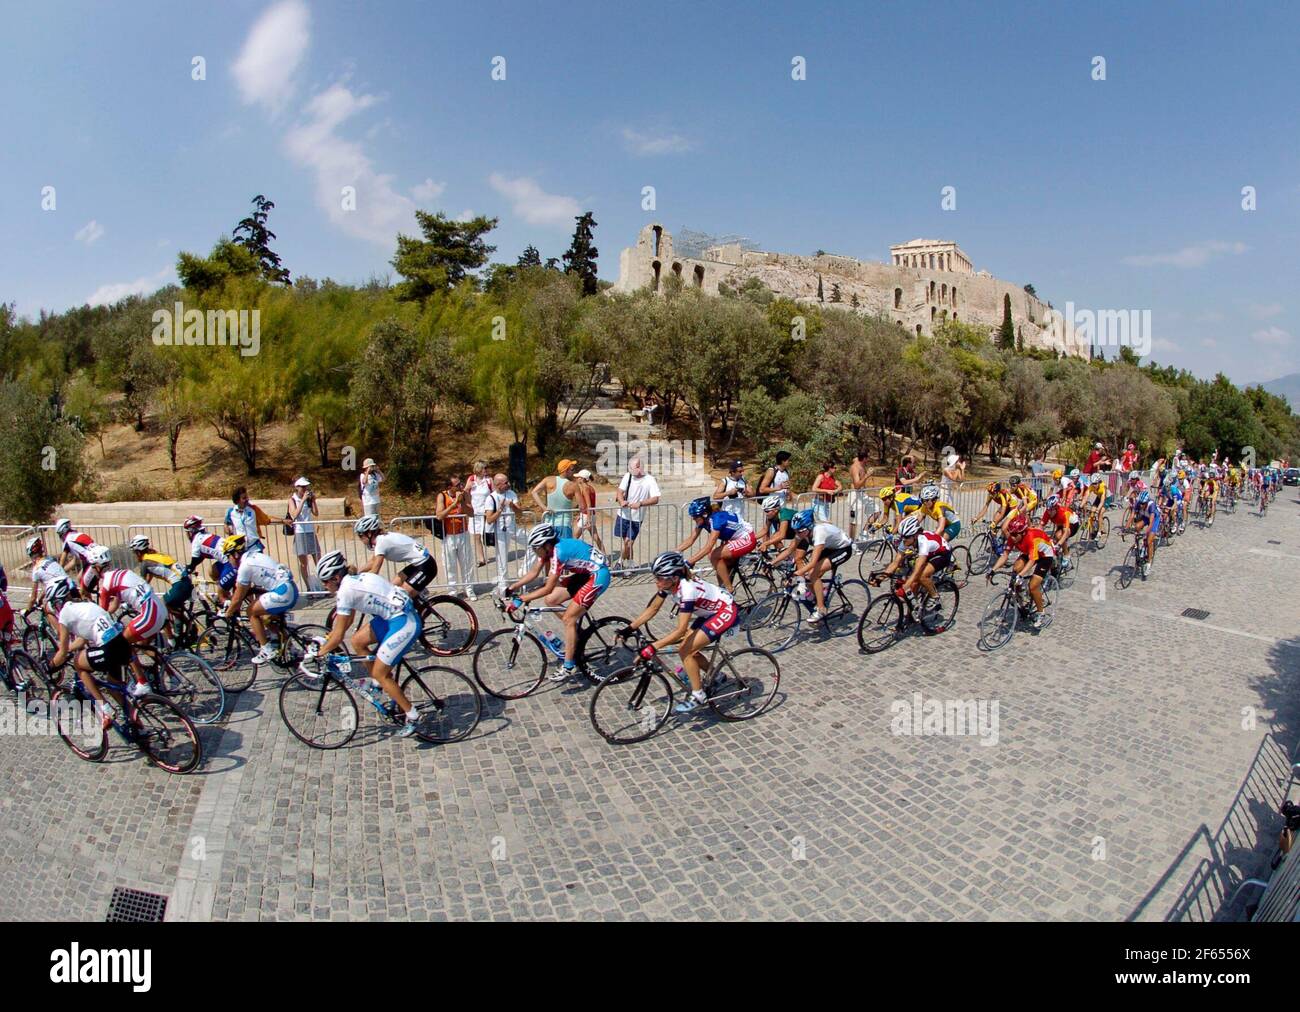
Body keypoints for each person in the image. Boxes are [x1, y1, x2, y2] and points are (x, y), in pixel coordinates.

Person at [308, 551, 424, 738]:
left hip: (404, 622)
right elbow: (346, 623)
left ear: (336, 577)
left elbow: (338, 636)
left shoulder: (345, 591)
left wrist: (319, 654)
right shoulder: (353, 580)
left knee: (379, 670)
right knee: (357, 641)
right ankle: (380, 683)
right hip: (393, 617)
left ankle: (412, 715)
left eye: (325, 580)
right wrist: (328, 641)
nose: (324, 585)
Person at [621, 551, 737, 714]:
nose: (656, 582)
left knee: (685, 650)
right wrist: (629, 629)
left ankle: (698, 695)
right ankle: (716, 676)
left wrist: (654, 646)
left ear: (674, 577)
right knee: (690, 648)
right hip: (708, 613)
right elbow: (653, 608)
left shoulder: (687, 590)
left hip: (725, 611)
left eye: (659, 577)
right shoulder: (668, 585)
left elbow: (680, 630)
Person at [503, 524, 610, 682]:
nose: (534, 551)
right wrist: (512, 587)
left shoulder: (558, 552)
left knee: (568, 619)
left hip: (598, 575)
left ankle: (569, 666)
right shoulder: (550, 549)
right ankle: (575, 633)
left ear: (546, 545)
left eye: (535, 548)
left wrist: (522, 599)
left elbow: (548, 587)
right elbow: (534, 572)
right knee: (551, 600)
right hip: (585, 574)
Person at [50, 584, 134, 730]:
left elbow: (62, 652)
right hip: (123, 644)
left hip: (109, 649)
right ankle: (137, 722)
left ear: (57, 603)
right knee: (114, 688)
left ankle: (105, 709)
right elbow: (81, 640)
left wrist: (50, 666)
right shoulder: (85, 605)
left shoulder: (65, 613)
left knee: (78, 664)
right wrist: (69, 649)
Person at [82, 545, 164, 693]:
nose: (92, 570)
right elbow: (114, 604)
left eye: (92, 567)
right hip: (158, 607)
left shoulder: (105, 585)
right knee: (141, 644)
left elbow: (102, 614)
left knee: (122, 644)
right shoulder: (120, 573)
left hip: (149, 613)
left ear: (97, 567)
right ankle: (169, 672)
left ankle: (143, 683)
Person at [221, 534, 299, 665]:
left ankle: (266, 649)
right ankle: (289, 646)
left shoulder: (245, 566)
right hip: (289, 589)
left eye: (228, 556)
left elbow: (238, 598)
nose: (228, 561)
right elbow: (245, 590)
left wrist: (228, 613)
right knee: (265, 617)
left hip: (283, 592)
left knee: (251, 611)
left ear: (235, 554)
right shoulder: (254, 556)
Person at [770, 509, 852, 623]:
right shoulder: (802, 531)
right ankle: (819, 596)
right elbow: (789, 550)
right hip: (830, 547)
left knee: (813, 575)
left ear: (809, 527)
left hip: (843, 549)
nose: (798, 534)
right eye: (796, 531)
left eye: (800, 531)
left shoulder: (819, 532)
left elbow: (812, 562)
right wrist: (772, 563)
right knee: (808, 577)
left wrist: (797, 573)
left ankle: (821, 609)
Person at [869, 514, 952, 617]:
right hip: (929, 553)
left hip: (943, 554)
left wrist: (905, 586)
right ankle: (911, 615)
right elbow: (895, 562)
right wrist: (881, 578)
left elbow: (917, 571)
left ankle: (935, 598)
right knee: (913, 584)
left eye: (906, 537)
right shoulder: (906, 540)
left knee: (921, 576)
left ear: (916, 535)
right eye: (902, 537)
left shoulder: (923, 542)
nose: (903, 540)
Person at [677, 496, 756, 595]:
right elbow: (691, 539)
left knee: (714, 555)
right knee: (719, 564)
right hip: (733, 539)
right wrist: (674, 552)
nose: (693, 519)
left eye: (695, 517)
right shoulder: (703, 520)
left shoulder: (716, 520)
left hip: (747, 538)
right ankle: (723, 593)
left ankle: (729, 590)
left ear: (704, 514)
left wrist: (689, 562)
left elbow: (708, 547)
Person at [986, 513, 1053, 629]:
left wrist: (1021, 575)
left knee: (1033, 586)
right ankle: (1022, 599)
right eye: (1010, 533)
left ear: (1023, 532)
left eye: (1014, 534)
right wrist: (992, 570)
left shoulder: (1031, 538)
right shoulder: (1014, 536)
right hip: (1029, 552)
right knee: (1016, 568)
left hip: (1045, 555)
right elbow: (1004, 555)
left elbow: (1032, 561)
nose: (1011, 537)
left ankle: (1041, 612)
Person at [353, 514, 437, 599]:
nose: (360, 539)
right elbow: (372, 562)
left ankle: (418, 597)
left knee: (400, 598)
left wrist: (358, 582)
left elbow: (375, 571)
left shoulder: (382, 542)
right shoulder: (381, 539)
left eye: (361, 536)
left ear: (369, 533)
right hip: (419, 564)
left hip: (426, 567)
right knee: (390, 590)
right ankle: (418, 597)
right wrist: (356, 573)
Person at [130, 534, 192, 625]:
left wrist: (133, 596)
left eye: (135, 553)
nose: (135, 556)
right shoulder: (155, 555)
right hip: (186, 581)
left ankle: (190, 625)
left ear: (138, 552)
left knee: (163, 604)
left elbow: (141, 584)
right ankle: (181, 635)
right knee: (176, 608)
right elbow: (148, 578)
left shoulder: (145, 563)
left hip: (180, 585)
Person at [614, 456, 661, 569]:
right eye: (629, 468)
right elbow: (620, 491)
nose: (630, 471)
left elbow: (656, 499)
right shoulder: (628, 476)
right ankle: (631, 564)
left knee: (628, 542)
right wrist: (621, 501)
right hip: (623, 514)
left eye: (632, 468)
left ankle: (619, 563)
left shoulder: (650, 479)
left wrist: (640, 503)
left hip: (637, 517)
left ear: (639, 467)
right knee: (627, 542)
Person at [436, 473, 475, 599]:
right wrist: (453, 504)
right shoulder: (442, 496)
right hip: (448, 535)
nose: (460, 486)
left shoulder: (465, 494)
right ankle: (452, 591)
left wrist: (462, 502)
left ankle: (468, 588)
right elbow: (439, 515)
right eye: (457, 485)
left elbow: (471, 513)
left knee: (467, 562)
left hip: (463, 533)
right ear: (450, 487)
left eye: (461, 483)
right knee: (449, 564)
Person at [184, 515, 238, 605]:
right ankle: (228, 595)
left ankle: (230, 612)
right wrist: (192, 565)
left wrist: (189, 568)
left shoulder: (196, 541)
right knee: (212, 571)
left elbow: (195, 559)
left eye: (187, 532)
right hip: (228, 560)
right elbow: (201, 556)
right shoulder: (205, 535)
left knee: (221, 595)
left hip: (230, 563)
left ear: (190, 532)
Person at [483, 473, 522, 593]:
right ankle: (503, 585)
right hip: (500, 531)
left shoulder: (512, 494)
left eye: (508, 482)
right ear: (498, 485)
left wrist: (512, 505)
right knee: (502, 559)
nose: (508, 484)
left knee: (533, 543)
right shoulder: (491, 498)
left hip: (514, 528)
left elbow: (519, 512)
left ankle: (524, 571)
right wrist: (500, 509)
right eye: (505, 483)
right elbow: (489, 519)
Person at [531, 459, 579, 539]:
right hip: (564, 524)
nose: (574, 472)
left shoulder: (548, 480)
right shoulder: (572, 485)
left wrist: (544, 508)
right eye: (572, 469)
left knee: (551, 550)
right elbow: (582, 506)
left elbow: (534, 492)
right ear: (566, 470)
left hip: (548, 522)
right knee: (564, 550)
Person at [287, 477, 320, 589]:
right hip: (300, 532)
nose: (305, 489)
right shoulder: (292, 500)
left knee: (318, 560)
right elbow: (294, 515)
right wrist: (302, 500)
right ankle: (308, 587)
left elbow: (316, 513)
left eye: (306, 486)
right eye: (302, 487)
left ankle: (322, 584)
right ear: (297, 487)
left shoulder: (309, 499)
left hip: (310, 531)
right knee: (304, 563)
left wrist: (313, 500)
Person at [572, 468, 608, 555]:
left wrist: (587, 518)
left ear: (583, 479)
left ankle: (574, 557)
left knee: (574, 538)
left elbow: (588, 505)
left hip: (587, 516)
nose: (577, 479)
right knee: (596, 537)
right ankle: (605, 558)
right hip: (590, 515)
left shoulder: (585, 488)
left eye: (579, 477)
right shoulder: (591, 487)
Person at [466, 459, 494, 568]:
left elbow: (494, 494)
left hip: (487, 512)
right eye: (484, 468)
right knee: (476, 536)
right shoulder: (471, 479)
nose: (486, 470)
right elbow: (464, 493)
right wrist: (468, 488)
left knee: (489, 535)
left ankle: (499, 552)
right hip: (475, 512)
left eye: (486, 468)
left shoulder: (489, 480)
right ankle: (481, 558)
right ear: (478, 469)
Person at [225, 487, 266, 555]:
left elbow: (266, 518)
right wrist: (226, 528)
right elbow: (226, 523)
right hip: (240, 548)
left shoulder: (253, 509)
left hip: (255, 546)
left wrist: (283, 521)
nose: (247, 499)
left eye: (247, 497)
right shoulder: (231, 512)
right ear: (237, 500)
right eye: (244, 498)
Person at [1131, 489, 1160, 576]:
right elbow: (1131, 516)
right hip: (1145, 516)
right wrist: (1125, 529)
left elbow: (1151, 523)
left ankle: (1148, 564)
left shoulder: (1151, 505)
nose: (1141, 505)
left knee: (1149, 541)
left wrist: (1146, 533)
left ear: (1147, 502)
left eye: (1143, 504)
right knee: (1136, 527)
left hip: (1154, 519)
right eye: (1140, 503)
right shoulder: (1138, 503)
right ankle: (1138, 545)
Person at [848, 450, 871, 540]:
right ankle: (851, 542)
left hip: (863, 494)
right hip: (855, 494)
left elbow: (855, 458)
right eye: (867, 458)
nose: (868, 460)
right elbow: (857, 485)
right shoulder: (855, 468)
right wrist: (867, 476)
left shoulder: (859, 463)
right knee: (854, 521)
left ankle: (864, 533)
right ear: (864, 458)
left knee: (876, 511)